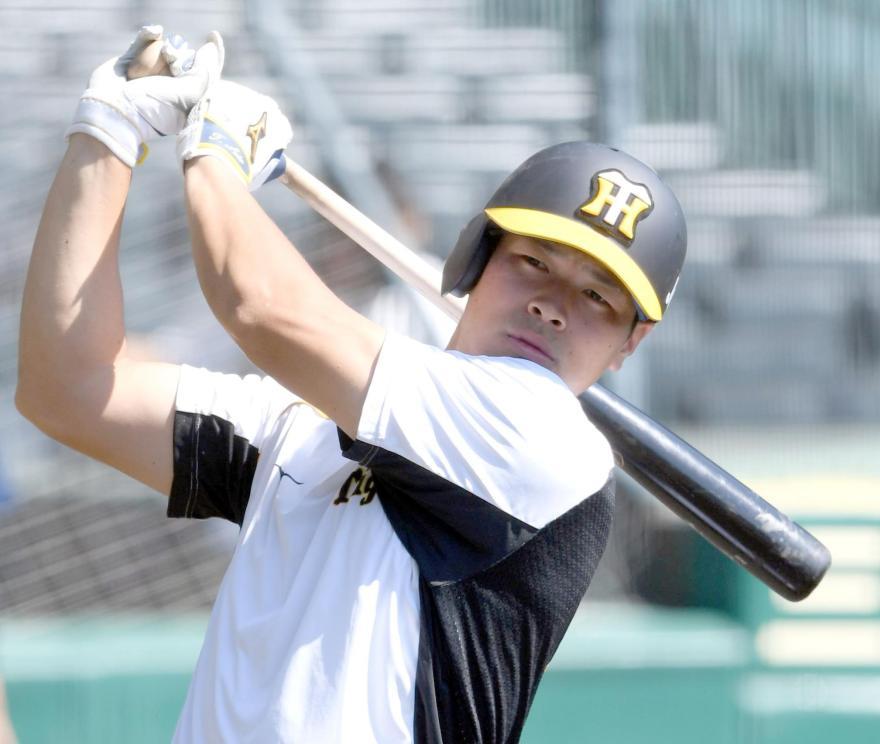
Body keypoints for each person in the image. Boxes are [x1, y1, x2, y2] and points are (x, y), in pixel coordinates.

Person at [16, 28, 686, 744]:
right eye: (535, 263)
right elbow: (68, 387)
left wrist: (217, 145)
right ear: (476, 261)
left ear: (629, 343)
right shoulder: (299, 429)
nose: (554, 305)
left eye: (598, 300)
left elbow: (259, 306)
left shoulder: (547, 440)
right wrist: (107, 133)